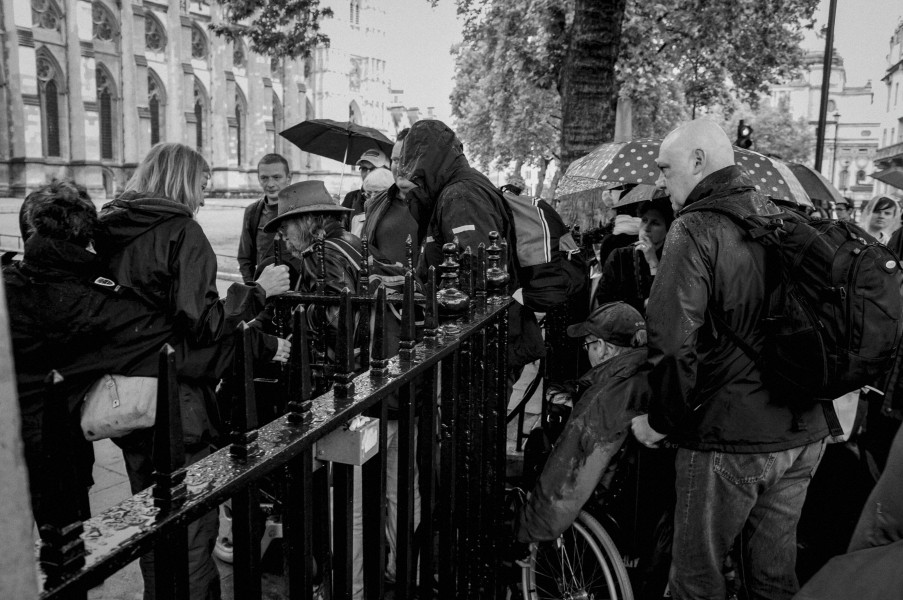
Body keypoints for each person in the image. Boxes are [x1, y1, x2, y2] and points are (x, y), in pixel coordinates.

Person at [631, 119, 828, 600]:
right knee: (773, 581)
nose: (661, 181)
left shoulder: (694, 227)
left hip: (729, 437)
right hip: (803, 432)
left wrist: (661, 420)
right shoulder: (780, 216)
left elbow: (674, 344)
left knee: (697, 583)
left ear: (698, 162)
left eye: (666, 168)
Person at [95, 142, 291, 600]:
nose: (203, 199)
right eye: (202, 187)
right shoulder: (182, 231)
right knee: (190, 527)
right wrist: (258, 292)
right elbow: (204, 326)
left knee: (152, 520)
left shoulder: (110, 228)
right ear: (183, 181)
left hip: (129, 398)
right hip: (178, 402)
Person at [594, 196, 674, 314]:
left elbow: (668, 302)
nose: (646, 228)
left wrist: (653, 263)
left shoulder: (672, 258)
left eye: (655, 223)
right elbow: (605, 300)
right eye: (644, 220)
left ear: (667, 229)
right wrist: (641, 304)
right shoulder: (619, 256)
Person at [237, 153, 298, 282]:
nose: (270, 184)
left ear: (288, 178)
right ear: (258, 178)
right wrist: (253, 290)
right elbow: (245, 259)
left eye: (276, 177)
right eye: (264, 178)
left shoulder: (301, 209)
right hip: (266, 293)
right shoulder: (252, 213)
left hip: (298, 292)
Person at [342, 148, 390, 217]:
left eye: (373, 169)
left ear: (386, 170)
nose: (368, 174)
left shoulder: (396, 199)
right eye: (364, 169)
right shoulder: (351, 198)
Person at [350, 166, 395, 238]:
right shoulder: (357, 219)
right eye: (368, 194)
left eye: (377, 193)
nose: (371, 199)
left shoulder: (397, 220)